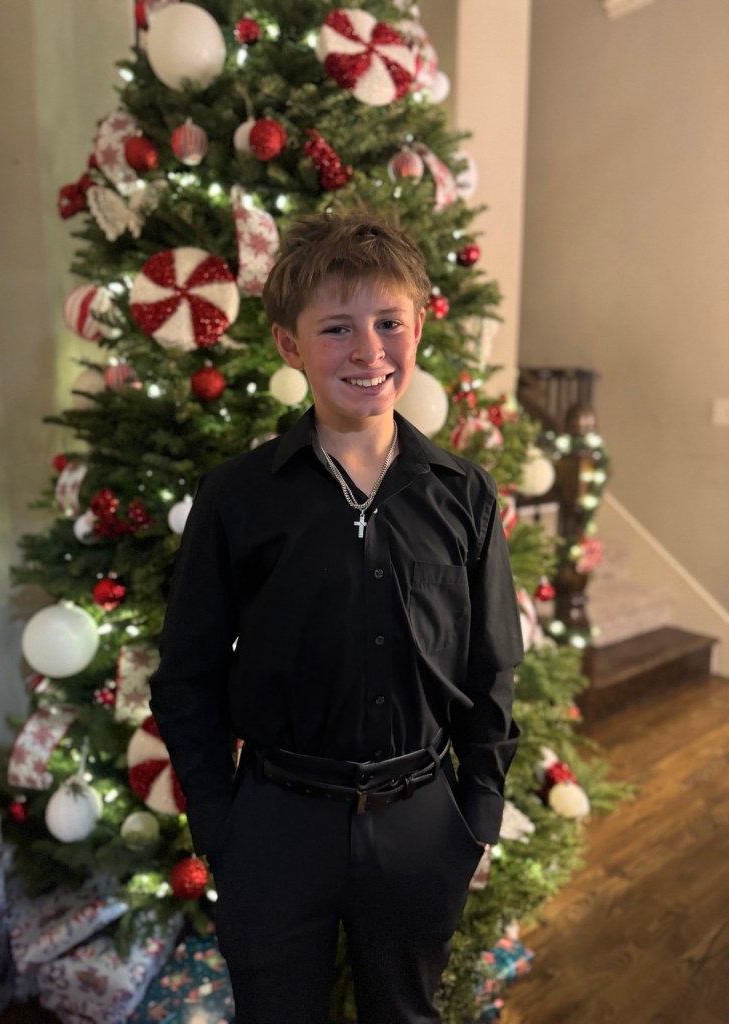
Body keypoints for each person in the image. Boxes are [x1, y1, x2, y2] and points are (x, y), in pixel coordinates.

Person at [149, 210, 523, 1024]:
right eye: (336, 328)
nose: (368, 351)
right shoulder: (237, 497)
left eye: (389, 322)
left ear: (418, 328)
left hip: (423, 821)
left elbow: (492, 668)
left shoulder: (463, 494)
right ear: (290, 345)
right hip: (276, 822)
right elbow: (186, 676)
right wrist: (220, 825)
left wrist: (477, 816)